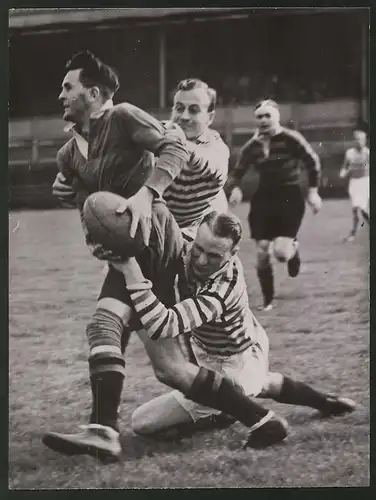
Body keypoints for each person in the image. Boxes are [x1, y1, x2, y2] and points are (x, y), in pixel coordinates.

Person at [111, 210, 355, 441]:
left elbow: (164, 326)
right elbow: (153, 238)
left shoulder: (223, 288)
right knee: (261, 382)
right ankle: (327, 402)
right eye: (199, 249)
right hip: (230, 346)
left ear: (233, 252)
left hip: (234, 362)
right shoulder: (187, 237)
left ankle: (226, 412)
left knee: (142, 422)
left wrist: (131, 272)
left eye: (214, 255)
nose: (202, 260)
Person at [225, 99, 322, 311]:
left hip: (290, 196)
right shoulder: (252, 146)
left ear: (277, 116)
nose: (263, 120)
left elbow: (312, 162)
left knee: (280, 253)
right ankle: (268, 301)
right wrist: (234, 188)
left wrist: (313, 192)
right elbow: (237, 171)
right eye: (259, 116)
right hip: (264, 198)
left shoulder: (291, 139)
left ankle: (292, 250)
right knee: (261, 252)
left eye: (268, 115)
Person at [339, 124, 369, 242]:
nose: (359, 142)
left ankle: (352, 233)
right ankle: (353, 234)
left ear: (365, 141)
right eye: (357, 140)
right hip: (354, 183)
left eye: (362, 140)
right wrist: (343, 172)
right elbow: (345, 166)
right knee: (356, 209)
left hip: (364, 182)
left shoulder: (367, 153)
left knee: (360, 209)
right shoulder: (350, 153)